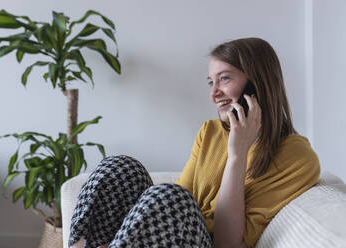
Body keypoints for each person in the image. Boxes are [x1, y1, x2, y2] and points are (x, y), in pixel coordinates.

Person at [69, 37, 320, 248]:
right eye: (211, 82)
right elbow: (180, 199)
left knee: (170, 198)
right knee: (122, 169)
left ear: (257, 84)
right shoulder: (209, 132)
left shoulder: (296, 156)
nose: (213, 94)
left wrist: (237, 154)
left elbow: (227, 243)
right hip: (173, 238)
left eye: (224, 79)